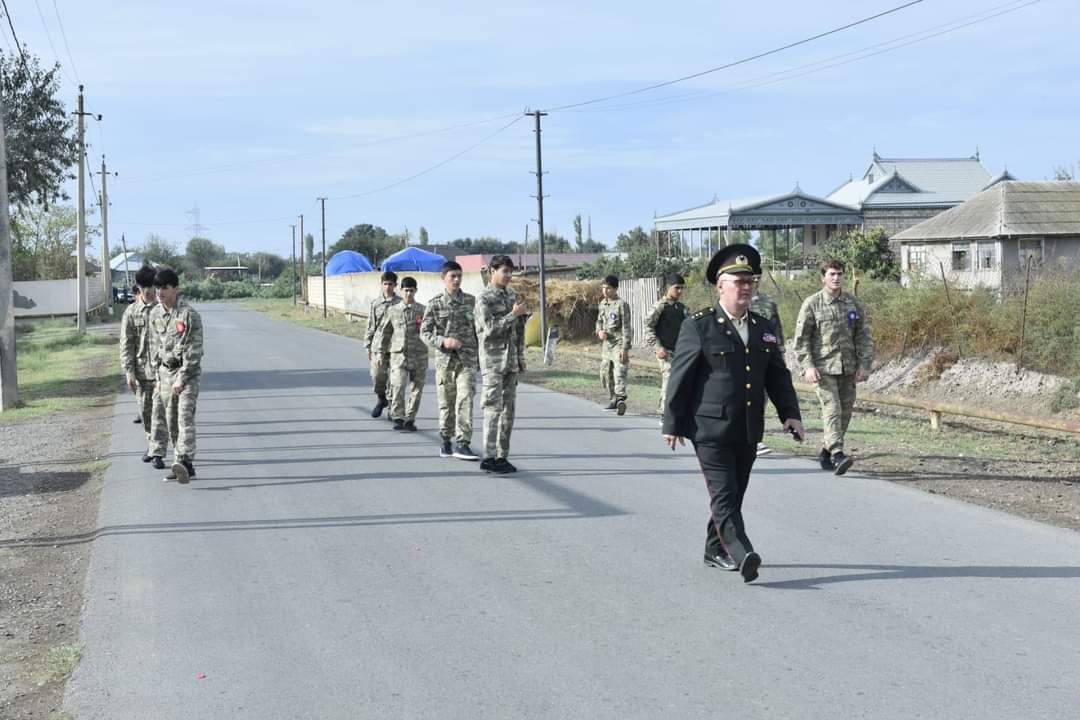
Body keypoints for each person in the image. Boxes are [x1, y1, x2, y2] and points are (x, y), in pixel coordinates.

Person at [662, 244, 805, 584]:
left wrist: (790, 414)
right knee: (724, 494)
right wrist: (672, 423)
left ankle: (714, 547)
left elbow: (777, 375)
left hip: (747, 427)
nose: (745, 287)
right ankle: (742, 553)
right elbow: (679, 377)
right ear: (720, 286)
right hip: (709, 429)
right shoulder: (698, 326)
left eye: (750, 281)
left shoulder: (762, 326)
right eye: (737, 281)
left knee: (735, 492)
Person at [794, 259, 874, 475]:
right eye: (831, 274)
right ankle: (838, 453)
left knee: (845, 413)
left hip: (848, 367)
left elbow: (863, 335)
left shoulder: (853, 303)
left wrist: (865, 364)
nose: (836, 278)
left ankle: (825, 451)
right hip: (823, 368)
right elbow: (801, 341)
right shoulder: (812, 304)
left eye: (839, 274)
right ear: (823, 277)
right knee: (832, 409)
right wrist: (808, 366)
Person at [147, 268, 204, 484]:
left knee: (184, 417)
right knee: (171, 422)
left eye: (165, 287)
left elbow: (194, 350)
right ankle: (181, 462)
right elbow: (154, 347)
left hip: (186, 374)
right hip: (164, 373)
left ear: (176, 289)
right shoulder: (155, 314)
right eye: (157, 287)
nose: (160, 292)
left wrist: (182, 377)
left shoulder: (188, 315)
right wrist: (157, 378)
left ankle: (186, 461)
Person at [420, 261, 480, 461]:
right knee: (446, 403)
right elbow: (425, 333)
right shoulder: (435, 304)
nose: (456, 280)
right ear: (443, 278)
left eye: (459, 276)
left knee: (466, 400)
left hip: (467, 360)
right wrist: (443, 341)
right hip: (445, 362)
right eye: (452, 276)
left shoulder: (471, 302)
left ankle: (463, 444)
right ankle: (446, 439)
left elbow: (479, 329)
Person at [475, 255, 528, 474]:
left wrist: (521, 355)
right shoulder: (483, 298)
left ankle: (502, 456)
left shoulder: (512, 295)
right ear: (492, 271)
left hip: (511, 361)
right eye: (504, 271)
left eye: (510, 272)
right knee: (492, 409)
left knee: (509, 412)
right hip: (493, 360)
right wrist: (512, 315)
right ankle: (488, 456)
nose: (508, 276)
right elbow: (488, 329)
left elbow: (519, 329)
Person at [119, 266, 160, 457]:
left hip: (164, 372)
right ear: (139, 288)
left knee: (164, 413)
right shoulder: (131, 312)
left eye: (152, 288)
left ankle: (159, 450)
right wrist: (129, 372)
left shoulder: (165, 308)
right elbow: (126, 344)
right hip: (142, 371)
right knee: (146, 412)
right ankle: (152, 444)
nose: (149, 292)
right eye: (145, 289)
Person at [380, 276, 428, 432]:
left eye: (411, 291)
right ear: (400, 291)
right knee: (398, 385)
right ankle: (398, 416)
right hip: (399, 355)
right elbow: (385, 332)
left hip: (419, 354)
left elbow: (430, 331)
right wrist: (381, 353)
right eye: (406, 290)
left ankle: (410, 418)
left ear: (416, 291)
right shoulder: (393, 310)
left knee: (417, 388)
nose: (408, 294)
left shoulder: (423, 310)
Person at [643, 273, 688, 421]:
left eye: (682, 288)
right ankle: (664, 413)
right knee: (669, 379)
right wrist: (657, 347)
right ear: (668, 288)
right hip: (665, 350)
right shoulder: (659, 306)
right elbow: (648, 327)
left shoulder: (682, 308)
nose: (680, 291)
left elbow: (689, 328)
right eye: (677, 288)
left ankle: (677, 411)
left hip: (680, 351)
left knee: (681, 381)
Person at [750, 274, 785, 457]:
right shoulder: (739, 301)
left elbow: (776, 327)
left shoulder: (768, 302)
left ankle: (755, 439)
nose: (754, 281)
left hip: (765, 357)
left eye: (757, 277)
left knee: (760, 399)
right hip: (744, 359)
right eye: (751, 277)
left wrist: (779, 351)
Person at [364, 271, 401, 418]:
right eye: (385, 284)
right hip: (378, 347)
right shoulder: (376, 304)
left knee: (394, 379)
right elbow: (370, 326)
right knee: (377, 376)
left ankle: (393, 408)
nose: (387, 287)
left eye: (390, 284)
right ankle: (381, 399)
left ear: (395, 285)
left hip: (395, 347)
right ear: (381, 285)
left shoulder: (400, 303)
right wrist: (368, 346)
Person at [595, 274, 632, 415]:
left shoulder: (622, 304)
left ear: (616, 289)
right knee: (606, 371)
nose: (605, 291)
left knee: (619, 371)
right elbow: (598, 321)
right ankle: (613, 399)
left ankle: (621, 399)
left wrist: (625, 348)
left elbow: (627, 328)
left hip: (618, 343)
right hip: (607, 344)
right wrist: (599, 331)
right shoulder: (602, 304)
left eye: (608, 288)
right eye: (604, 288)